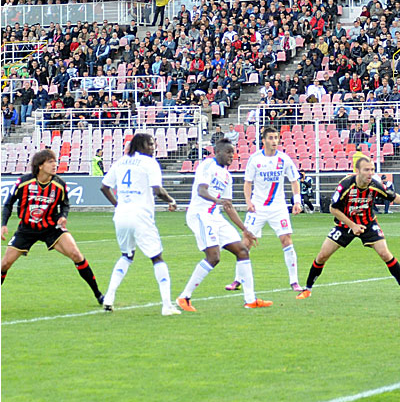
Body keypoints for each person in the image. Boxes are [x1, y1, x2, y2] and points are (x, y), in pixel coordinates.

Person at [296, 157, 400, 301]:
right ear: (357, 171)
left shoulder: (375, 185)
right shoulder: (345, 185)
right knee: (322, 256)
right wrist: (352, 225)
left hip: (368, 224)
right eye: (366, 170)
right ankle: (307, 289)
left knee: (385, 253)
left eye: (372, 169)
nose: (370, 173)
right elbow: (332, 209)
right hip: (345, 225)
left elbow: (393, 196)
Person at [176, 139, 272, 311]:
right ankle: (184, 297)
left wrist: (245, 230)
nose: (231, 156)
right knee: (214, 257)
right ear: (217, 152)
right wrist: (216, 200)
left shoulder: (227, 176)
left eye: (233, 153)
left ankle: (250, 300)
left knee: (242, 251)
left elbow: (228, 206)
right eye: (228, 152)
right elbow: (201, 191)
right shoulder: (207, 166)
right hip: (200, 215)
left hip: (215, 216)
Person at [1, 149, 103, 303]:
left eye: (55, 161)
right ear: (40, 165)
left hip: (51, 227)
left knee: (76, 254)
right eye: (50, 162)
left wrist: (63, 216)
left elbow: (65, 204)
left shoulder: (59, 184)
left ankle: (99, 295)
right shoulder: (23, 182)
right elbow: (8, 204)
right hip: (27, 229)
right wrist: (4, 225)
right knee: (5, 264)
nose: (55, 164)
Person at [99, 134, 181, 316]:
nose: (153, 147)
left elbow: (104, 187)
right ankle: (167, 305)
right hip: (141, 215)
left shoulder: (120, 162)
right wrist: (171, 200)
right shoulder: (150, 163)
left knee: (127, 255)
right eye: (150, 144)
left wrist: (118, 204)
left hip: (121, 215)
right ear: (140, 145)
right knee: (157, 257)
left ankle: (109, 297)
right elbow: (157, 189)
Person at [225, 126, 303, 292]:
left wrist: (297, 201)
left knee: (286, 240)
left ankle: (294, 281)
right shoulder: (255, 159)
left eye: (276, 138)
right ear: (264, 140)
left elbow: (294, 180)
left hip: (278, 207)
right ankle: (237, 279)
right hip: (258, 207)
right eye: (271, 138)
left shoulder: (284, 159)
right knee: (246, 241)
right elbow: (248, 182)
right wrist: (248, 201)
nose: (274, 141)